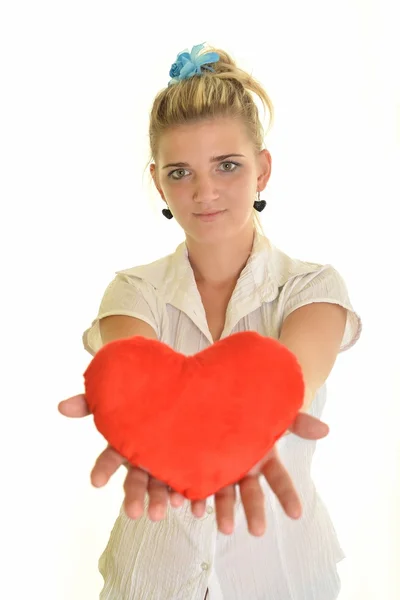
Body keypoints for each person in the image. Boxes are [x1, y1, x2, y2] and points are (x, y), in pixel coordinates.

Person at [59, 43, 362, 600]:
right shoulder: (134, 292)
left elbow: (288, 384)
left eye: (228, 165)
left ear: (263, 169)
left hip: (284, 580)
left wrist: (214, 432)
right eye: (181, 172)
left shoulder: (312, 288)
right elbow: (135, 380)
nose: (205, 192)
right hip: (150, 580)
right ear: (159, 185)